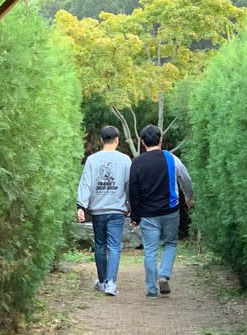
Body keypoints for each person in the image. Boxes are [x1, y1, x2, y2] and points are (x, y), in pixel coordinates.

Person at [128, 124, 193, 298]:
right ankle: (164, 275)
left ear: (142, 142)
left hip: (148, 214)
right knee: (170, 243)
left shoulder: (137, 163)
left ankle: (151, 290)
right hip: (170, 210)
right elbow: (185, 178)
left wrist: (135, 215)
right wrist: (189, 197)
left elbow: (133, 191)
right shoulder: (171, 158)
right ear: (160, 139)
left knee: (150, 250)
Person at [76, 125, 131, 297]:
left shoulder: (92, 160)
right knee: (114, 246)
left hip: (98, 210)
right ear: (117, 140)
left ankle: (102, 281)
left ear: (101, 140)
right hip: (116, 209)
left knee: (100, 245)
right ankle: (111, 283)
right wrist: (131, 205)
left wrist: (81, 206)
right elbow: (130, 184)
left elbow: (85, 183)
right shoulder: (125, 160)